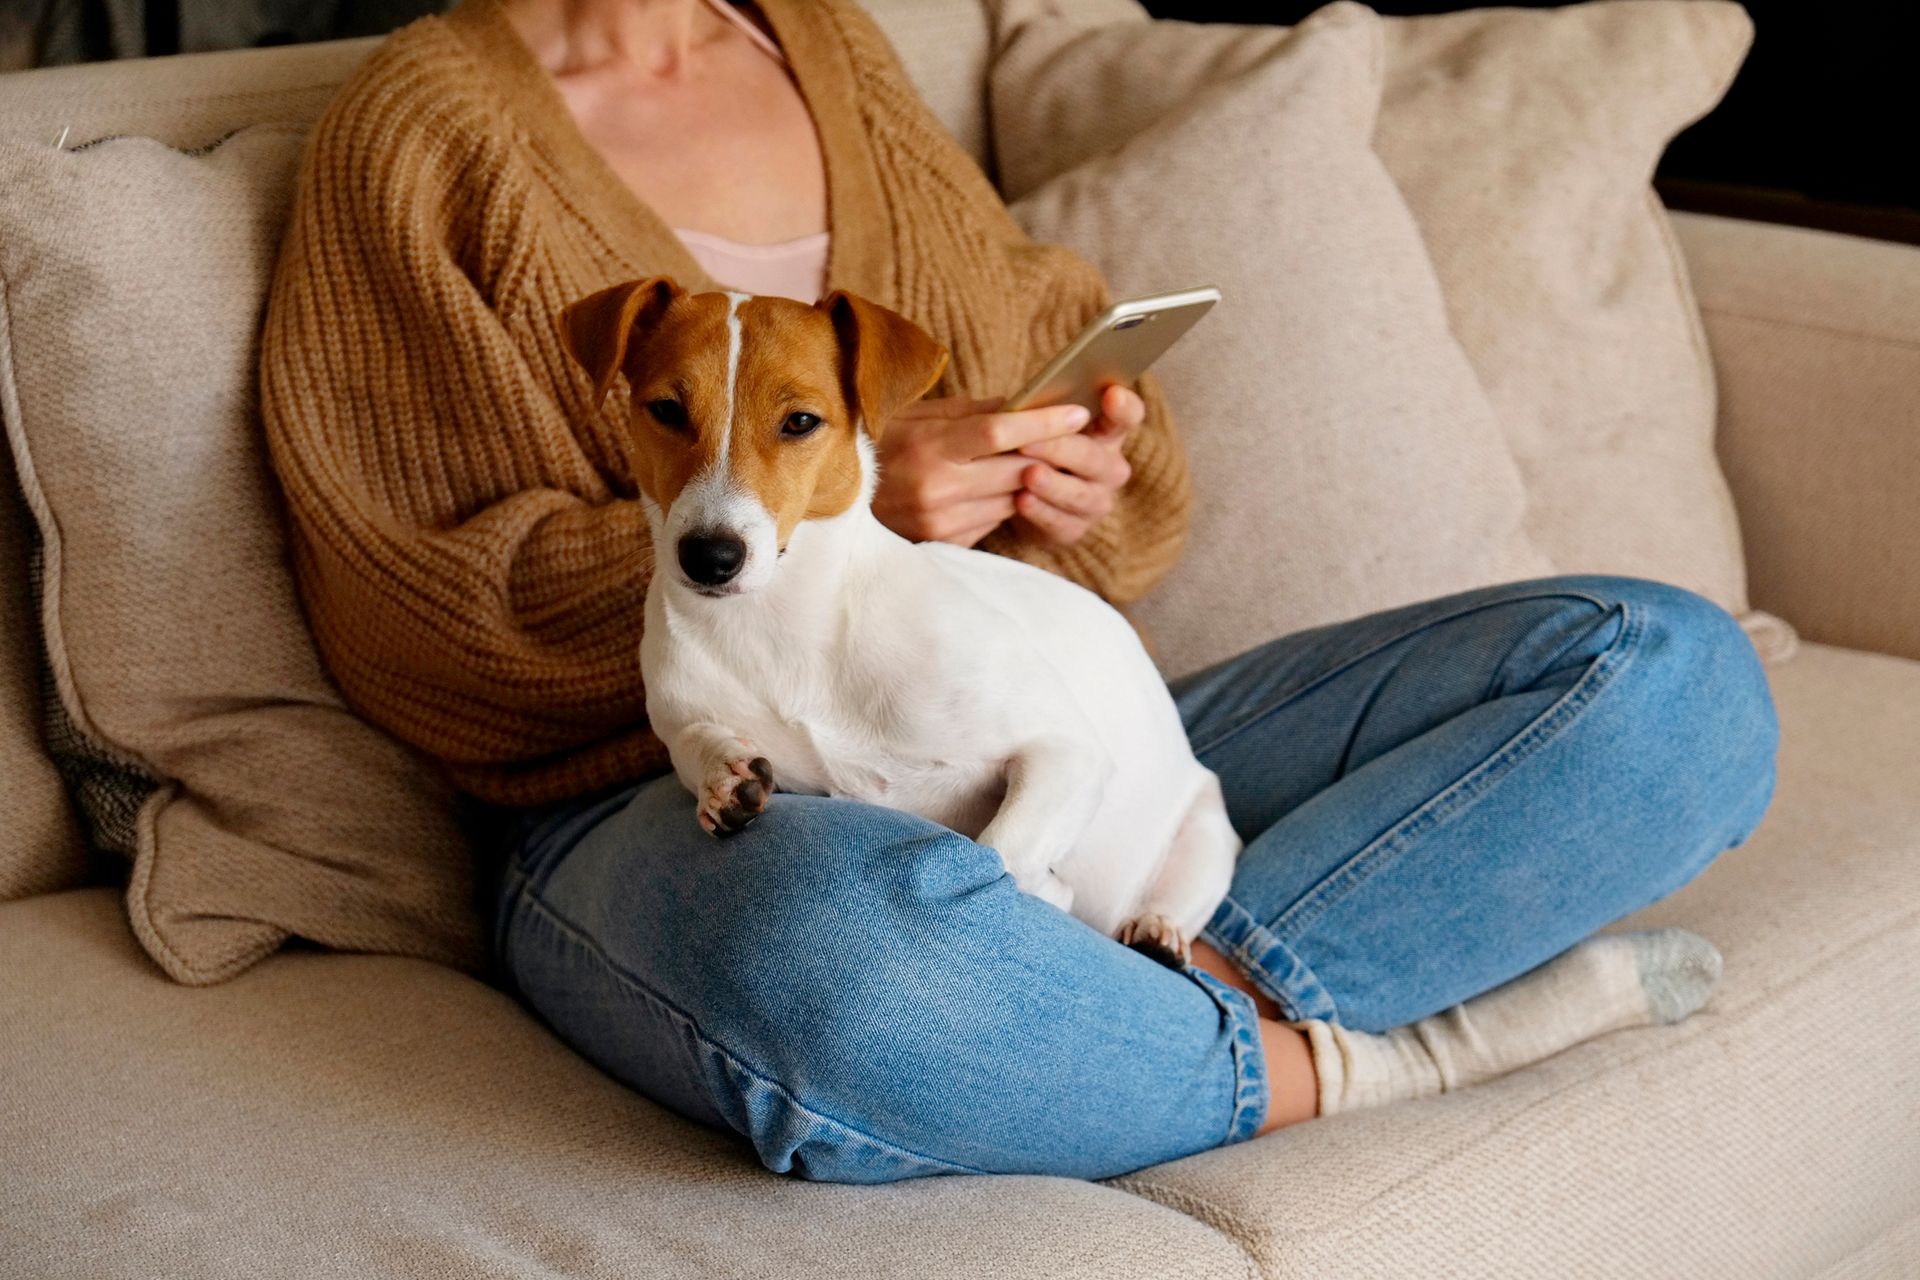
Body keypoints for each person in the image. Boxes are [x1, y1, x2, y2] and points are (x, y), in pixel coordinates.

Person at [259, 0, 1779, 1183]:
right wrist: (838, 509)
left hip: (1016, 713)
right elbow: (404, 606)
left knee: (1664, 675)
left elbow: (1044, 333)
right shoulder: (418, 131)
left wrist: (1081, 472)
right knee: (849, 969)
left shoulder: (821, 46)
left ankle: (1156, 1005)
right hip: (667, 799)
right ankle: (1379, 1058)